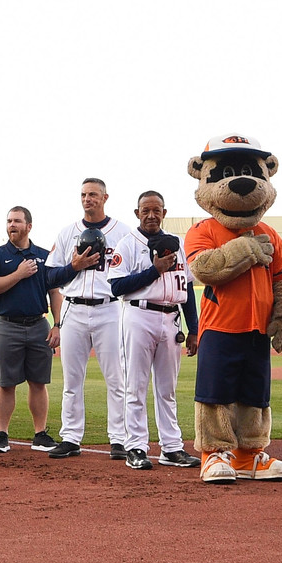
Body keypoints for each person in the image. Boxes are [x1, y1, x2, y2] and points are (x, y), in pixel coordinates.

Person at [0, 206, 97, 453]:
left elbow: (55, 291)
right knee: (6, 383)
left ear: (29, 226)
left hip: (38, 324)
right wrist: (18, 274)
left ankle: (40, 434)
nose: (12, 225)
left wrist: (57, 325)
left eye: (17, 221)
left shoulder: (44, 256)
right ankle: (2, 434)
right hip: (7, 324)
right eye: (9, 221)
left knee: (38, 382)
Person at [107, 191, 201, 470]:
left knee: (167, 389)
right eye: (145, 210)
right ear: (137, 213)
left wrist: (193, 328)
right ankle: (135, 447)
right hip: (139, 314)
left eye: (156, 210)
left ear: (164, 213)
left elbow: (187, 286)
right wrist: (154, 270)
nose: (151, 215)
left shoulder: (177, 244)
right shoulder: (127, 244)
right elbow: (116, 286)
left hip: (171, 317)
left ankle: (171, 448)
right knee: (135, 386)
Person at [46, 178, 132, 459]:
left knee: (116, 378)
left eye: (93, 194)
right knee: (72, 379)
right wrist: (74, 266)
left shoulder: (123, 233)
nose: (87, 199)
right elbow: (50, 276)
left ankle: (119, 439)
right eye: (83, 194)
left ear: (105, 197)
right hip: (74, 308)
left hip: (109, 308)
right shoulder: (67, 232)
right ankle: (71, 438)